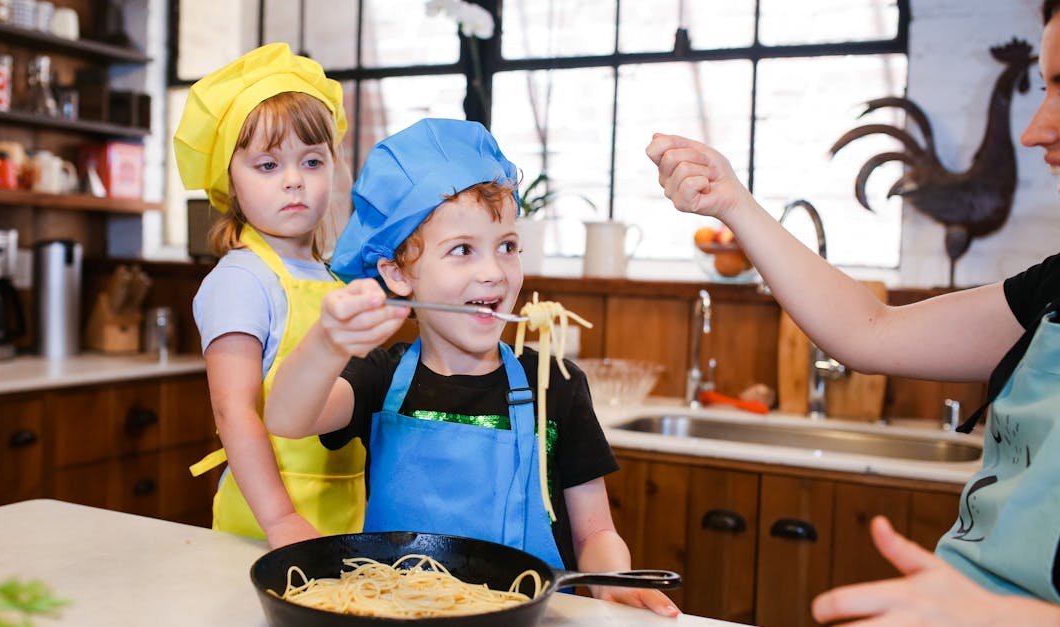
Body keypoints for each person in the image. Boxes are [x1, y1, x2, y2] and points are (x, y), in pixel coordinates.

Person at [646, 1, 1060, 622]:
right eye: (1046, 87)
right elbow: (870, 331)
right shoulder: (1050, 289)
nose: (1034, 130)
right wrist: (735, 203)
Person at [264, 118, 679, 616]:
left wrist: (610, 579)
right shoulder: (381, 377)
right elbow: (287, 418)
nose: (493, 271)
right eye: (462, 250)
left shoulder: (556, 384)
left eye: (507, 246)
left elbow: (595, 530)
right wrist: (327, 343)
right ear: (397, 274)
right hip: (395, 611)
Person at [173, 43, 365, 547]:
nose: (295, 181)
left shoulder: (333, 278)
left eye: (312, 160)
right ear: (230, 184)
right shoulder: (242, 280)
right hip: (264, 527)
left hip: (345, 516)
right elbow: (232, 412)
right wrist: (280, 520)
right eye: (267, 166)